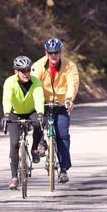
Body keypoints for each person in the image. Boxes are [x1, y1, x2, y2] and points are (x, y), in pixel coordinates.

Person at [32, 38, 80, 183]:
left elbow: (73, 83)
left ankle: (63, 169)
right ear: (46, 53)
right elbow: (34, 83)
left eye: (56, 52)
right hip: (43, 101)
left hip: (61, 103)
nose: (53, 55)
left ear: (61, 52)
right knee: (37, 123)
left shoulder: (69, 66)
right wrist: (37, 101)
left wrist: (69, 99)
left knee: (63, 135)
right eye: (51, 52)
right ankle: (40, 141)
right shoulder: (38, 65)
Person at [3, 56, 45, 190]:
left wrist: (40, 113)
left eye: (28, 70)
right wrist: (6, 114)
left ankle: (34, 149)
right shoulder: (9, 82)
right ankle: (14, 177)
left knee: (39, 124)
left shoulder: (36, 81)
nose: (26, 73)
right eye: (23, 71)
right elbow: (7, 99)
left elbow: (39, 98)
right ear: (16, 72)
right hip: (15, 112)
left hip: (31, 111)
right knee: (14, 143)